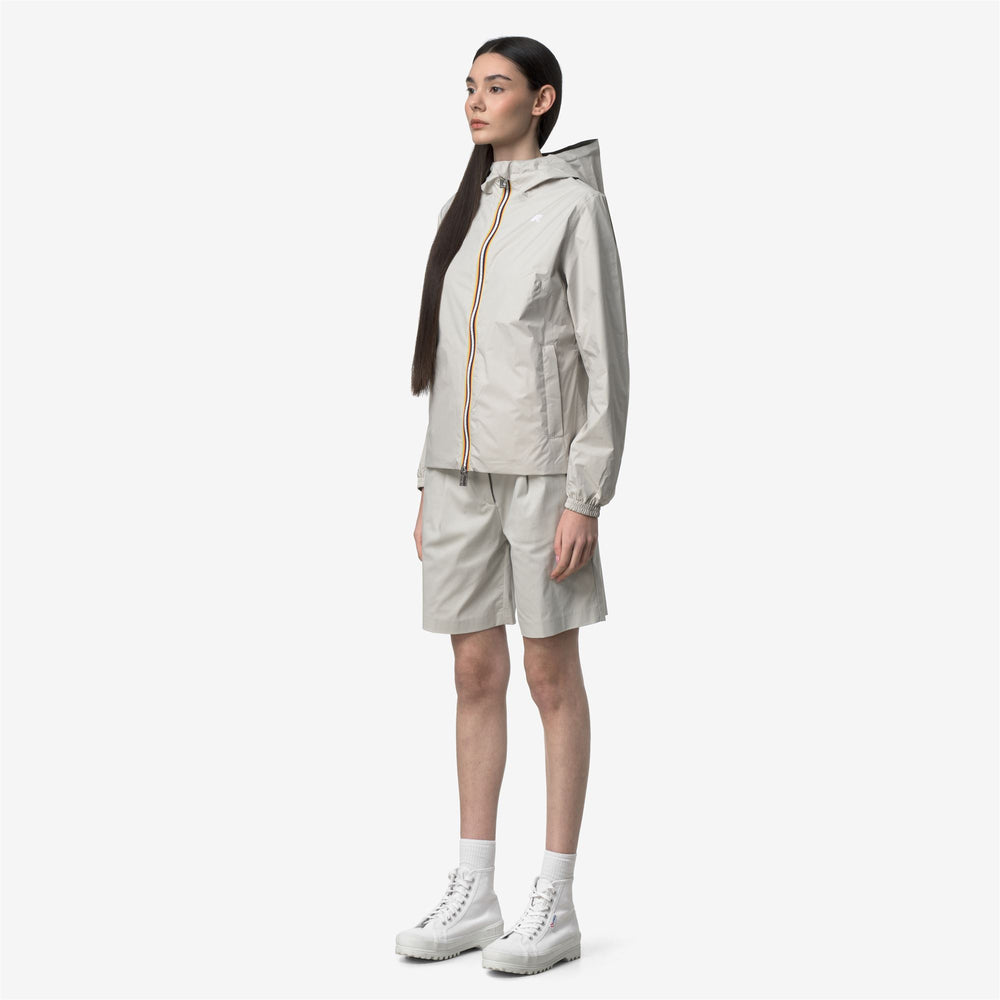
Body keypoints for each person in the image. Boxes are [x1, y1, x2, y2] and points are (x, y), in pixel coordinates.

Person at [396, 35, 630, 977]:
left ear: (542, 100)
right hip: (458, 476)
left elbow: (606, 360)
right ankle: (475, 888)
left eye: (495, 87)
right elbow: (448, 361)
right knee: (472, 673)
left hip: (542, 479)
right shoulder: (466, 208)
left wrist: (587, 496)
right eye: (469, 86)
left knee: (548, 675)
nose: (475, 101)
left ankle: (555, 899)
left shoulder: (574, 207)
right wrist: (427, 477)